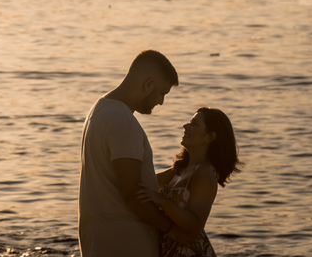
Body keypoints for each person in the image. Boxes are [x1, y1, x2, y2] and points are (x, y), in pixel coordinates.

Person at [78, 50, 180, 257]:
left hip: (98, 238)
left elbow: (121, 182)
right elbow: (132, 193)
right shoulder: (124, 122)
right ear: (148, 84)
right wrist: (171, 229)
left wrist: (175, 173)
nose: (161, 102)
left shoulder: (99, 109)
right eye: (162, 93)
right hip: (126, 242)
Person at [135, 108, 242, 257]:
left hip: (188, 251)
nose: (185, 126)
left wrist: (161, 200)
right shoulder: (179, 169)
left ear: (209, 137)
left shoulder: (204, 173)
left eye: (194, 123)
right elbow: (143, 182)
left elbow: (195, 225)